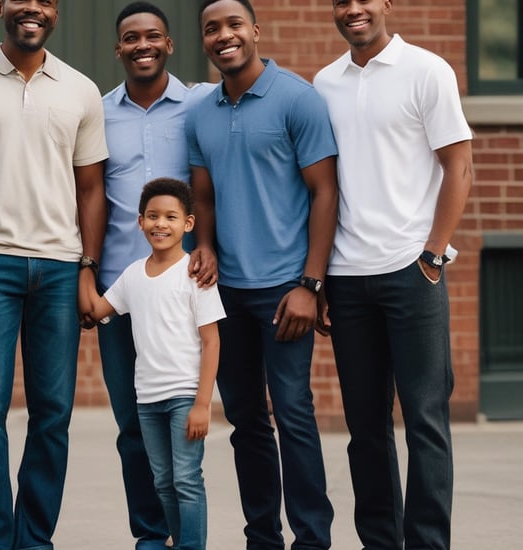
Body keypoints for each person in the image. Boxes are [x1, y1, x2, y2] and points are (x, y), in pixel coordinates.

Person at [0, 0, 109, 548]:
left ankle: (34, 539)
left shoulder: (80, 89)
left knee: (53, 413)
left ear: (54, 12)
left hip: (59, 267)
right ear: (1, 8)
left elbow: (91, 188)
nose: (31, 8)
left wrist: (87, 268)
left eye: (44, 1)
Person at [313, 2, 474, 548]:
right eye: (341, 1)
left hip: (412, 272)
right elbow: (325, 184)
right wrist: (325, 278)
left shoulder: (427, 71)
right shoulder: (325, 82)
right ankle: (380, 541)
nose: (353, 9)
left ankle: (428, 543)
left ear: (384, 4)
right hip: (348, 278)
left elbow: (460, 165)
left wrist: (432, 255)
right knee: (366, 430)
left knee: (426, 423)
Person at [186, 0, 339, 548]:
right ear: (204, 40)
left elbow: (325, 193)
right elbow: (201, 196)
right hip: (225, 290)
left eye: (233, 25)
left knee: (293, 413)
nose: (223, 36)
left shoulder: (298, 99)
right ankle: (261, 538)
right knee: (247, 420)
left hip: (284, 290)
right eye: (211, 29)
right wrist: (203, 245)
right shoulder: (200, 111)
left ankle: (312, 539)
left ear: (255, 30)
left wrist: (309, 285)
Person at [99, 2, 215, 547]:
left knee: (183, 432)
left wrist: (209, 245)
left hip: (182, 288)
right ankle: (151, 535)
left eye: (153, 37)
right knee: (132, 428)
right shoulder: (98, 113)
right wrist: (85, 270)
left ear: (169, 44)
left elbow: (215, 179)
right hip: (121, 288)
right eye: (130, 38)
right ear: (118, 48)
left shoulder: (198, 104)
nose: (142, 45)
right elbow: (87, 196)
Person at [88, 177, 225, 550]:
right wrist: (83, 267)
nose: (160, 224)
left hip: (184, 397)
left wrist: (202, 404)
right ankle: (178, 541)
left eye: (170, 216)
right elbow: (98, 309)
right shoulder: (132, 274)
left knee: (186, 480)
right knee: (163, 481)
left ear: (188, 224)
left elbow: (211, 342)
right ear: (139, 222)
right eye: (152, 216)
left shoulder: (195, 274)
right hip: (147, 400)